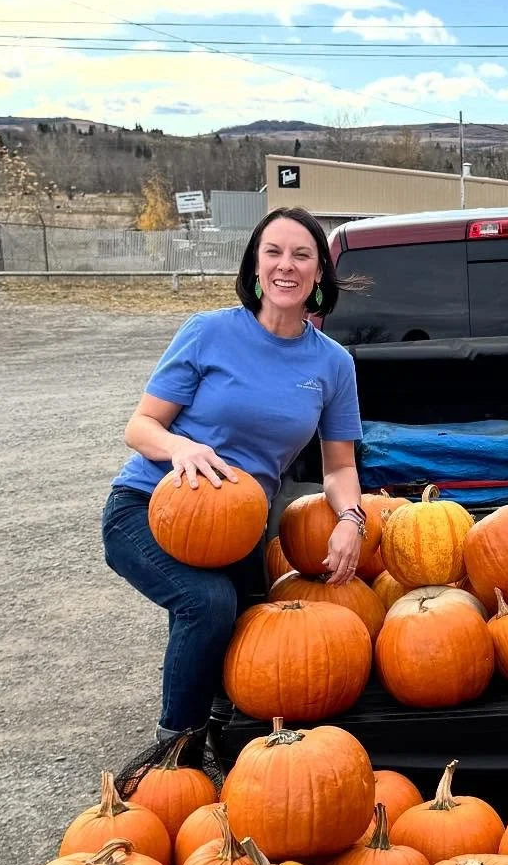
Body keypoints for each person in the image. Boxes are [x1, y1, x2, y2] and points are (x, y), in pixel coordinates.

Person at [102, 207, 364, 741]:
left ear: (319, 273)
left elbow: (339, 465)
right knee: (206, 603)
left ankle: (232, 740)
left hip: (242, 528)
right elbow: (141, 425)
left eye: (301, 255)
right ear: (254, 265)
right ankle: (176, 751)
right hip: (148, 505)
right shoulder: (208, 332)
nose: (285, 266)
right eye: (273, 252)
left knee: (252, 629)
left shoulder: (333, 364)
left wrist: (351, 519)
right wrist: (180, 448)